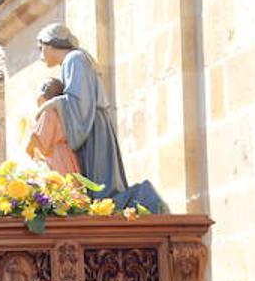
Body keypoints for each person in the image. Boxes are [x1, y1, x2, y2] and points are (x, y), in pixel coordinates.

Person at [36, 24, 163, 210]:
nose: (41, 56)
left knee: (103, 189)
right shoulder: (72, 61)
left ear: (50, 44)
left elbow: (80, 100)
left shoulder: (75, 59)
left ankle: (145, 196)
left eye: (41, 49)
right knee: (99, 189)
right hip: (89, 125)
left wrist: (50, 104)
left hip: (92, 127)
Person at [25, 77, 81, 175]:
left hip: (57, 158)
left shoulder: (48, 112)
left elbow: (37, 138)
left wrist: (29, 148)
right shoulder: (65, 113)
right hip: (69, 157)